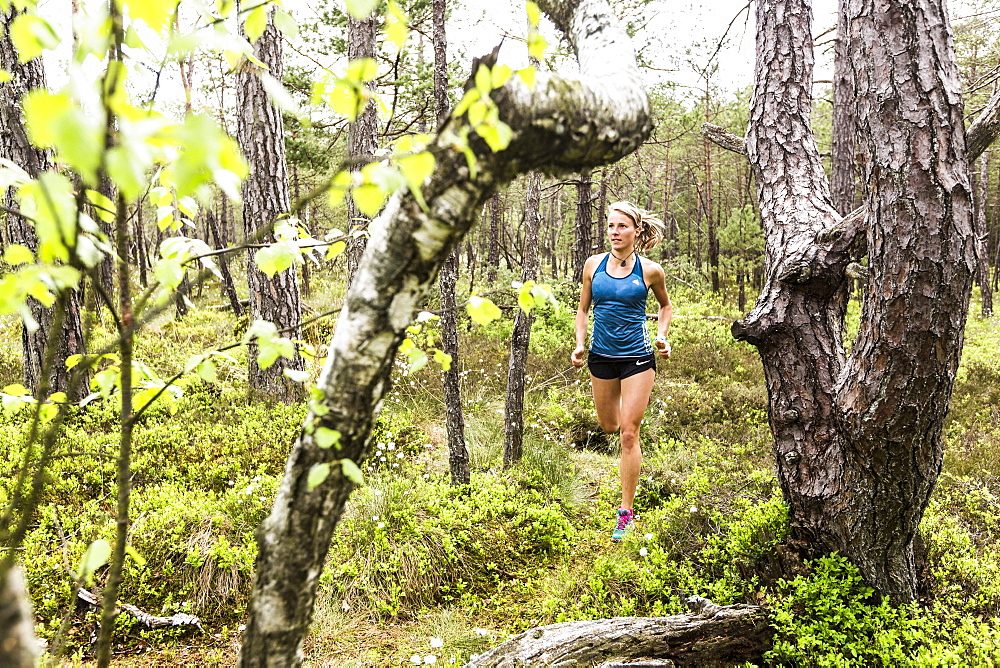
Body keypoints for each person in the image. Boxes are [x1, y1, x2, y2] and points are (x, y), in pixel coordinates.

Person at [571, 201, 672, 542]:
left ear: (637, 231)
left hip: (638, 357)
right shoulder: (592, 265)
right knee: (609, 425)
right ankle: (621, 432)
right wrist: (580, 343)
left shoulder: (650, 271)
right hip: (601, 355)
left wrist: (660, 336)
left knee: (629, 433)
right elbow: (583, 310)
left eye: (622, 227)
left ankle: (625, 512)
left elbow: (665, 305)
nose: (614, 232)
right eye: (611, 226)